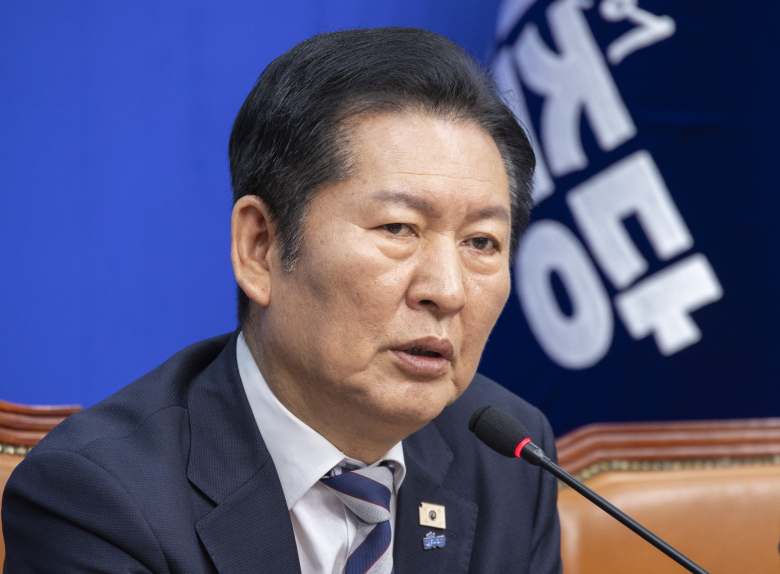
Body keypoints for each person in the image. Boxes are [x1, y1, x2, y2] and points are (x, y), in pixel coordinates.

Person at [2, 27, 561, 574]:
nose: (447, 290)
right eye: (398, 228)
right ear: (260, 248)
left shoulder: (508, 455)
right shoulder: (99, 499)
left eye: (481, 242)